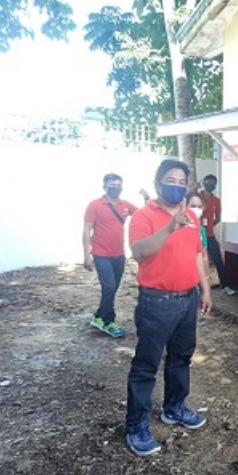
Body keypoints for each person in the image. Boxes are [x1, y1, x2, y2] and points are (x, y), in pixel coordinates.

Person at [124, 160, 211, 456]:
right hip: (156, 303)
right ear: (158, 182)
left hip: (188, 300)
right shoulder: (143, 216)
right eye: (170, 179)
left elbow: (198, 255)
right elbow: (139, 252)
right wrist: (170, 228)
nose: (176, 185)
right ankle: (136, 425)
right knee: (146, 365)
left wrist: (206, 290)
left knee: (181, 358)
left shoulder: (192, 217)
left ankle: (174, 408)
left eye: (181, 181)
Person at [83, 173, 145, 338]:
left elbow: (143, 215)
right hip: (100, 253)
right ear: (105, 187)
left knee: (112, 288)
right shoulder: (94, 205)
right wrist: (86, 255)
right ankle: (108, 320)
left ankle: (98, 316)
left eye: (118, 185)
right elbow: (87, 229)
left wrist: (147, 199)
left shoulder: (125, 205)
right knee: (109, 286)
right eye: (112, 185)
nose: (115, 188)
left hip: (119, 254)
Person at [199, 174, 236, 296]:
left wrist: (210, 225)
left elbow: (218, 218)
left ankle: (225, 286)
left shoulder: (216, 201)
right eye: (208, 181)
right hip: (196, 234)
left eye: (213, 182)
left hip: (209, 235)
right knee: (196, 261)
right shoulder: (197, 196)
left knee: (218, 260)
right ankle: (197, 287)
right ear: (203, 182)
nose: (211, 183)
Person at [186, 191, 213, 297]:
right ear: (185, 206)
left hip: (196, 278)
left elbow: (204, 255)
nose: (196, 210)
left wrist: (206, 278)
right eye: (193, 206)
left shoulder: (201, 230)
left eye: (199, 206)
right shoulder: (177, 227)